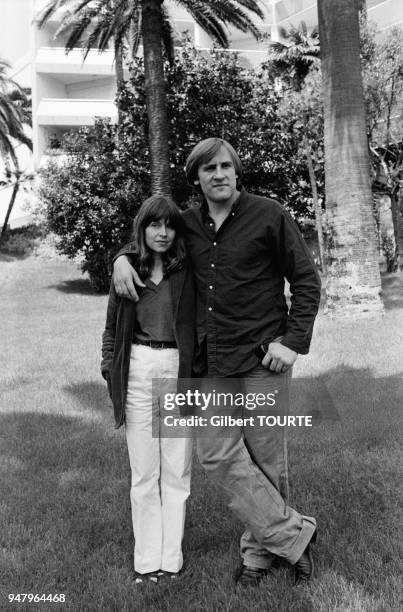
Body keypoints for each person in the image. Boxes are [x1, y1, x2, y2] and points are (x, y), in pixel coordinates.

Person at [112, 138, 322, 587]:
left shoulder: (269, 214)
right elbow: (151, 241)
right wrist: (120, 260)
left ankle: (257, 555)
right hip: (209, 363)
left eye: (227, 166)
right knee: (215, 454)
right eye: (209, 169)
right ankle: (295, 535)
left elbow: (306, 280)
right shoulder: (186, 225)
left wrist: (292, 342)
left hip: (265, 359)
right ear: (197, 178)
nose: (220, 174)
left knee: (266, 459)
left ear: (237, 171)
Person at [101, 195, 195, 584]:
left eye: (169, 225)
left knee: (176, 471)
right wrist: (111, 369)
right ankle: (146, 563)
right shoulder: (127, 271)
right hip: (139, 367)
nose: (162, 232)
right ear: (142, 229)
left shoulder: (188, 271)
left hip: (176, 369)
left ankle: (170, 561)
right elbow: (110, 330)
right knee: (144, 474)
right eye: (154, 225)